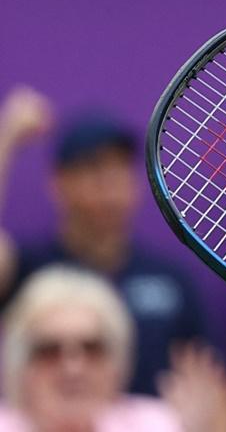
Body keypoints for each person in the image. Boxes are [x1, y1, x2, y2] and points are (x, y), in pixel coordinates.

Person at [0, 86, 212, 395]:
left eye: (121, 168)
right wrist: (6, 138)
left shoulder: (173, 281)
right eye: (94, 168)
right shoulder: (24, 270)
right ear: (58, 183)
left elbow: (210, 393)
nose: (110, 183)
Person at [0, 265, 226, 432]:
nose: (73, 367)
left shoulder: (159, 423)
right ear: (20, 366)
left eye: (92, 348)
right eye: (50, 351)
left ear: (116, 364)